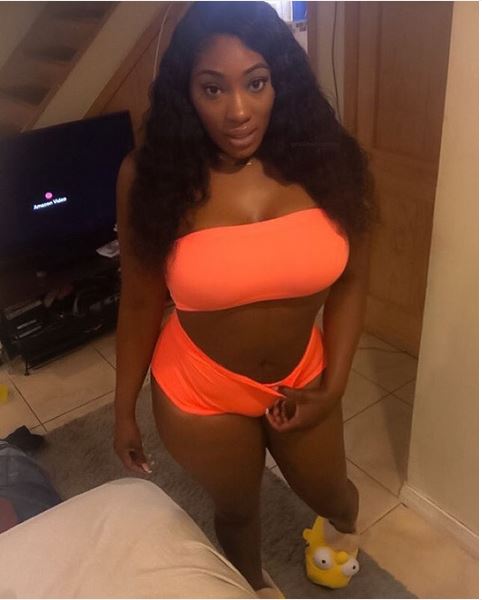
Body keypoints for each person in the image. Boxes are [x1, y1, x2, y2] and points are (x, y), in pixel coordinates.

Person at [114, 2, 378, 597]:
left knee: (333, 493)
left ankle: (339, 531)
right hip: (198, 388)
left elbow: (353, 282)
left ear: (280, 78)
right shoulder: (152, 175)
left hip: (302, 373)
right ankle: (252, 586)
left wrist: (333, 385)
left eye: (256, 83)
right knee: (236, 512)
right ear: (187, 93)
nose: (238, 111)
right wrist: (123, 407)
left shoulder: (330, 159)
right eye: (213, 89)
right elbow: (139, 303)